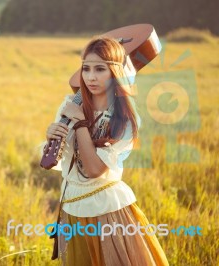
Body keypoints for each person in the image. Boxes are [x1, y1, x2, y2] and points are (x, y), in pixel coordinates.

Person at [44, 37, 169, 265]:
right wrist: (52, 140)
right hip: (71, 208)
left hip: (107, 210)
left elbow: (94, 170)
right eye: (86, 68)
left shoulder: (125, 120)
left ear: (115, 72)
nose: (91, 77)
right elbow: (53, 162)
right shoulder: (69, 105)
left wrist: (80, 124)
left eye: (100, 69)